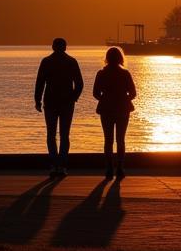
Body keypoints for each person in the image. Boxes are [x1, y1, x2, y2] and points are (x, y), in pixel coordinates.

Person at [34, 37, 84, 178]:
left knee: (51, 134)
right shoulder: (71, 62)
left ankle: (54, 165)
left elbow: (40, 83)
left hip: (50, 102)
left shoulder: (46, 62)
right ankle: (62, 165)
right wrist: (73, 98)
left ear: (53, 47)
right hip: (67, 103)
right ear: (65, 47)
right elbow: (79, 84)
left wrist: (37, 100)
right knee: (64, 135)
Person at [92, 46, 137, 181]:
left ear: (107, 58)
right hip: (123, 109)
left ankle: (109, 168)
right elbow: (133, 93)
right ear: (120, 58)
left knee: (108, 139)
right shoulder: (125, 73)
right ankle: (120, 168)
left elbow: (95, 93)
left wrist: (105, 99)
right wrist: (123, 99)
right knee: (120, 139)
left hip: (106, 109)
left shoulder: (101, 73)